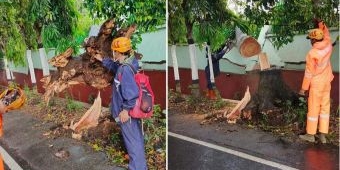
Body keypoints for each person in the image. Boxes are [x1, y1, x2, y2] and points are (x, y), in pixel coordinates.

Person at [94, 37, 147, 169]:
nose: (113, 53)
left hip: (127, 114)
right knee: (134, 140)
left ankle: (137, 167)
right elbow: (115, 66)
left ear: (117, 52)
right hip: (129, 113)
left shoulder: (125, 70)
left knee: (133, 143)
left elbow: (131, 93)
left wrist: (126, 110)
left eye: (114, 51)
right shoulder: (128, 63)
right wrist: (103, 60)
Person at [298, 20, 334, 144]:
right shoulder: (328, 45)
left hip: (316, 84)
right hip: (326, 83)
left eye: (310, 39)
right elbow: (327, 34)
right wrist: (321, 23)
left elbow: (308, 73)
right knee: (325, 109)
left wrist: (303, 88)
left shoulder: (312, 53)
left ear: (313, 40)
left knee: (313, 109)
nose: (310, 41)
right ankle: (323, 135)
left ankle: (310, 135)